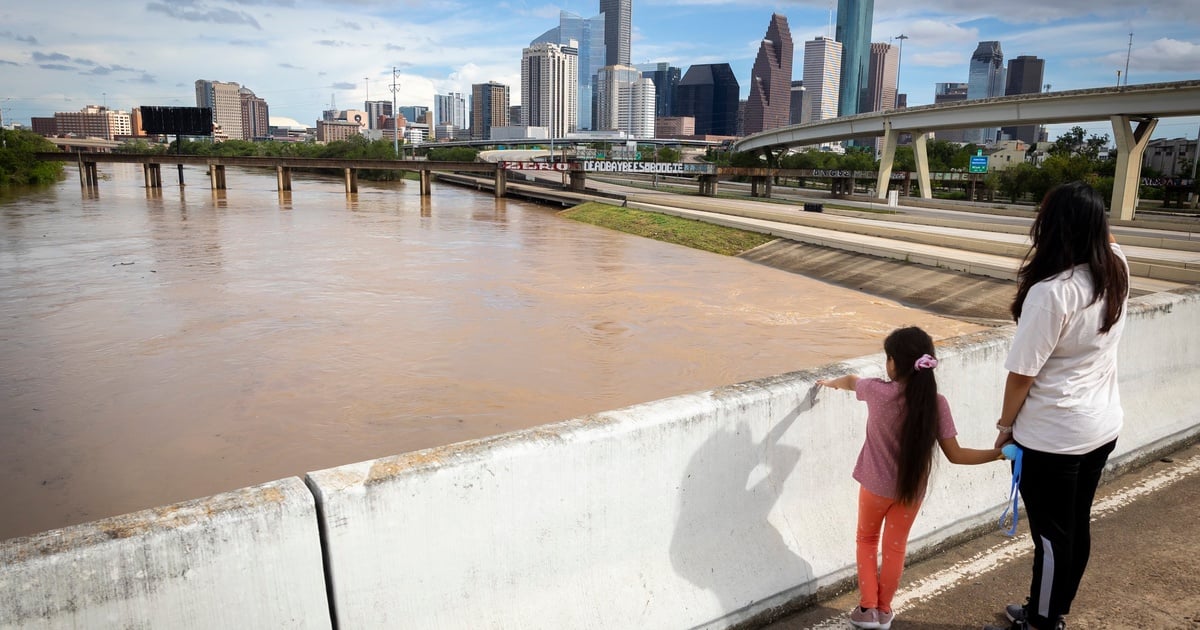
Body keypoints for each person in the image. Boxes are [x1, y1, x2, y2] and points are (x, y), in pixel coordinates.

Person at [984, 181, 1130, 630]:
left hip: (1053, 436)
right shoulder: (1116, 266)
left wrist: (1005, 425)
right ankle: (1049, 609)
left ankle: (1042, 623)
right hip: (1100, 428)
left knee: (1050, 538)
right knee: (1074, 528)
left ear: (1051, 227)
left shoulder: (1051, 293)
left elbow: (1022, 374)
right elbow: (1104, 240)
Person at [818, 326, 1003, 630]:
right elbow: (956, 455)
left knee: (866, 541)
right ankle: (884, 609)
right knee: (895, 548)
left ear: (894, 363)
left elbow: (851, 381)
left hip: (874, 488)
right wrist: (997, 453)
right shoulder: (937, 403)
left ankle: (867, 610)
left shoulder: (877, 392)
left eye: (887, 358)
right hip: (910, 492)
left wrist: (831, 384)